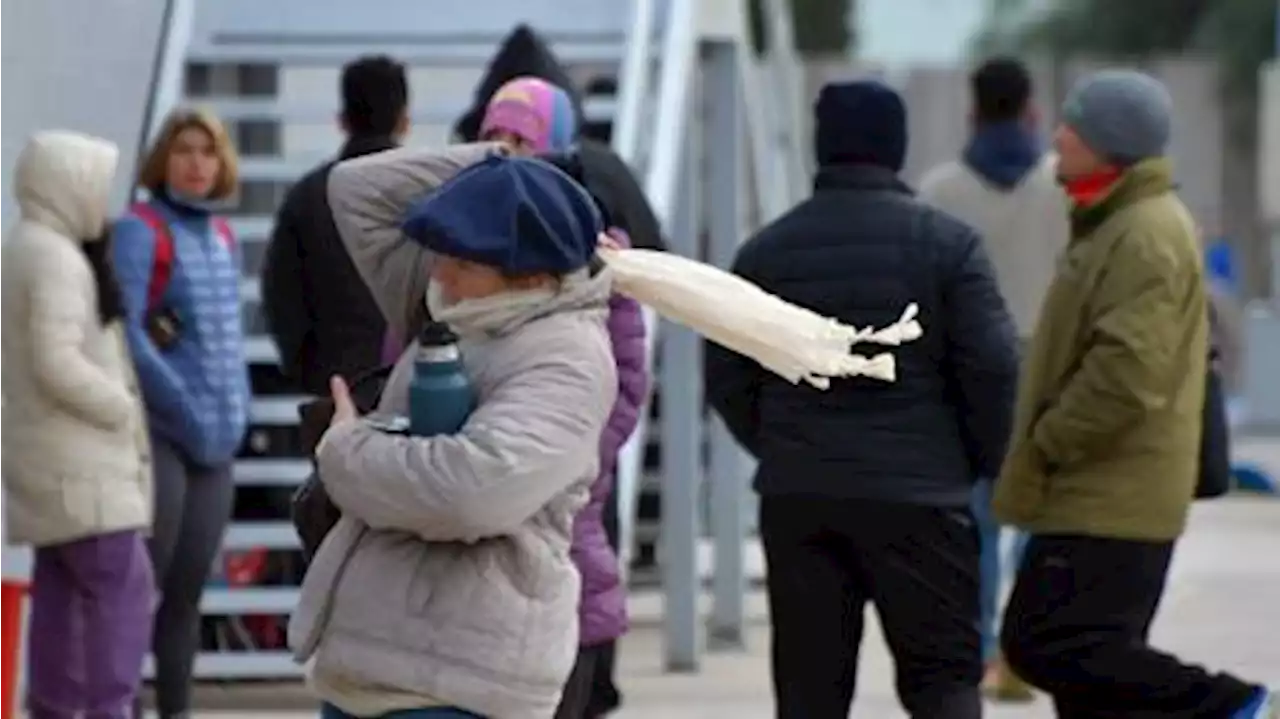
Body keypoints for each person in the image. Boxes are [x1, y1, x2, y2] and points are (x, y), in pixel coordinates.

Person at [704, 80, 1020, 719]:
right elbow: (993, 366)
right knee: (942, 686)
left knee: (810, 693)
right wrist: (977, 463)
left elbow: (727, 373)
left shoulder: (764, 254)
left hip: (803, 500)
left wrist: (780, 444)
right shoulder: (949, 247)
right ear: (896, 149)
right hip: (922, 499)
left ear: (822, 149)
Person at [289, 145, 618, 719]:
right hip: (369, 670)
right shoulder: (454, 303)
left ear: (532, 276)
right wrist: (503, 166)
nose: (439, 272)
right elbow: (354, 189)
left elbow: (470, 494)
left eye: (462, 263)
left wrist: (346, 452)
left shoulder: (567, 357)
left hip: (459, 685)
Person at [994, 69, 1277, 718]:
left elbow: (1128, 371)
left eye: (1076, 126)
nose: (1058, 136)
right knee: (1088, 671)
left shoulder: (1144, 232)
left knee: (1046, 642)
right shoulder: (1112, 221)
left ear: (1111, 143)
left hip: (1109, 490)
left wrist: (1049, 438)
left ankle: (1240, 705)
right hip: (1099, 486)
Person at [918, 55, 1067, 702]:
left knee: (976, 522)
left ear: (972, 110)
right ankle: (1022, 650)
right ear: (1033, 110)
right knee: (1037, 519)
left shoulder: (941, 190)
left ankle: (977, 652)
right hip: (1048, 373)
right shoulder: (1063, 186)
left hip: (969, 374)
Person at [0, 131, 154, 719]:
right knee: (125, 593)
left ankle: (54, 708)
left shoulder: (27, 246)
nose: (104, 200)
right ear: (68, 182)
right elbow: (56, 358)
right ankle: (109, 708)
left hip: (46, 463)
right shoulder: (59, 259)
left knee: (62, 597)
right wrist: (117, 405)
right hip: (83, 468)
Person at [112, 108, 249, 719]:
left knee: (187, 594)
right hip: (162, 436)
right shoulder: (140, 231)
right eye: (184, 150)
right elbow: (128, 336)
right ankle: (117, 703)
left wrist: (234, 409)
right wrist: (184, 406)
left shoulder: (223, 236)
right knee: (142, 587)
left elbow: (229, 336)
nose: (197, 163)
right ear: (163, 159)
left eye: (208, 151)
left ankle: (175, 711)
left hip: (217, 446)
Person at [262, 55, 409, 393]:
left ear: (342, 120)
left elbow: (280, 294)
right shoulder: (428, 191)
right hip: (412, 384)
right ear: (404, 121)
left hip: (334, 386)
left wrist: (306, 369)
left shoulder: (307, 196)